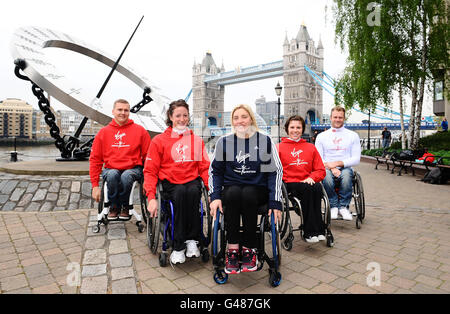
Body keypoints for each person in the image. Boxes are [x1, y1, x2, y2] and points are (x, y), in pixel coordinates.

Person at [209, 104, 283, 274]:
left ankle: (250, 249)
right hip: (232, 189)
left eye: (244, 117)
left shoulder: (264, 141)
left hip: (258, 190)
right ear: (232, 122)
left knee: (248, 192)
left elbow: (274, 172)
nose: (240, 121)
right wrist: (215, 197)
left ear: (251, 119)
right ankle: (233, 250)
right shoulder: (224, 142)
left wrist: (275, 202)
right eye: (236, 118)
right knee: (234, 193)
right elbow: (215, 172)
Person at [144, 99, 210, 265]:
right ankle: (178, 245)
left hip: (191, 181)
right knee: (180, 193)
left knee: (194, 192)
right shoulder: (159, 141)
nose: (182, 119)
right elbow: (150, 171)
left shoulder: (195, 141)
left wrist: (212, 191)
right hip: (171, 183)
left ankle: (192, 240)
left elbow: (204, 168)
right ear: (170, 117)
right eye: (178, 115)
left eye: (185, 116)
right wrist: (151, 197)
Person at [90, 99, 151, 220]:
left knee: (126, 176)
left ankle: (125, 206)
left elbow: (148, 157)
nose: (123, 113)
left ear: (129, 112)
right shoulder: (103, 133)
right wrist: (95, 185)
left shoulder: (140, 131)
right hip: (111, 168)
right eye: (119, 109)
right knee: (112, 175)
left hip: (133, 168)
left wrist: (148, 180)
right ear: (113, 111)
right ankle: (114, 206)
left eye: (126, 110)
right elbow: (95, 160)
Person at [277, 116, 326, 243]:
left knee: (317, 187)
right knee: (308, 189)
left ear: (302, 129)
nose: (295, 130)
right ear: (287, 129)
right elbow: (274, 170)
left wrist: (312, 177)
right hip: (288, 183)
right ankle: (309, 232)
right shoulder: (278, 147)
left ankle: (319, 230)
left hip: (307, 182)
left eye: (298, 127)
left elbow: (320, 170)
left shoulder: (310, 147)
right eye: (292, 127)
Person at [315, 106, 361, 221]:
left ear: (344, 118)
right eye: (335, 117)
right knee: (326, 177)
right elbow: (318, 158)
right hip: (326, 167)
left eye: (340, 117)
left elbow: (356, 158)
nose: (337, 119)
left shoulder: (353, 135)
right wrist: (331, 167)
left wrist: (337, 163)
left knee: (346, 176)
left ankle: (343, 207)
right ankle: (333, 206)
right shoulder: (321, 136)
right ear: (330, 118)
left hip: (345, 167)